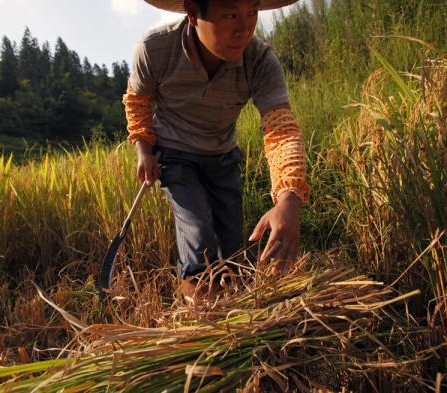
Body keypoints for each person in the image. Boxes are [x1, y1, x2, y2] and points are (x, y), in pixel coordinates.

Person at [123, 0, 311, 298]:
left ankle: (231, 312)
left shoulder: (259, 60)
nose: (244, 28)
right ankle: (196, 305)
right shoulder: (156, 48)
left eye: (252, 13)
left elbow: (281, 129)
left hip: (222, 155)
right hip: (175, 153)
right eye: (231, 15)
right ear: (194, 14)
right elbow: (138, 101)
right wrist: (144, 151)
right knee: (199, 239)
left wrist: (289, 199)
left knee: (231, 246)